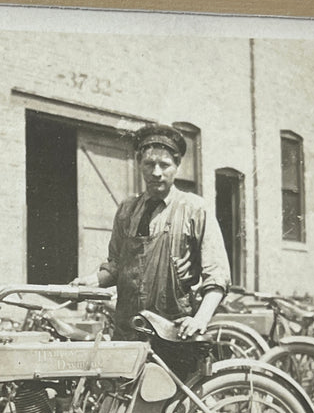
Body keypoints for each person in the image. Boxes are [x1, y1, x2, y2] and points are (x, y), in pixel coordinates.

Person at [74, 123, 231, 373]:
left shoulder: (194, 209)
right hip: (128, 330)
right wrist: (91, 281)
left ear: (177, 167)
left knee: (170, 406)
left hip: (172, 335)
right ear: (139, 165)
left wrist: (200, 319)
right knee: (118, 402)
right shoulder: (127, 209)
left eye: (164, 165)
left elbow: (218, 276)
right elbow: (116, 265)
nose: (156, 172)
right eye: (149, 164)